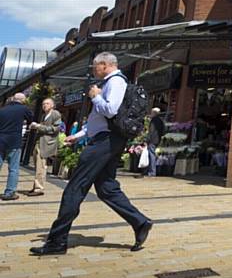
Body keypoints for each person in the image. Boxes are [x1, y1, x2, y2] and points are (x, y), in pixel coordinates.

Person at [30, 52, 152, 256]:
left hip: (104, 143)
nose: (94, 71)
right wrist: (78, 135)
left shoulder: (115, 82)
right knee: (107, 189)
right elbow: (101, 120)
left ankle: (57, 241)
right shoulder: (110, 83)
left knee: (75, 187)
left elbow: (110, 110)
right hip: (107, 140)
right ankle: (140, 222)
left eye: (95, 67)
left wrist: (95, 96)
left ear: (104, 65)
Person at [0, 93, 34, 201]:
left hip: (1, 141)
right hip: (14, 142)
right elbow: (31, 119)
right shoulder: (23, 109)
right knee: (13, 169)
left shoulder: (3, 109)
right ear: (23, 100)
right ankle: (9, 192)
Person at [26, 97, 62, 197]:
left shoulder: (55, 114)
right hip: (39, 142)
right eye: (43, 104)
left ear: (52, 105)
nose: (44, 105)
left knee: (41, 166)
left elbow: (55, 129)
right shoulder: (44, 115)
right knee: (38, 166)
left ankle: (39, 189)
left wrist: (38, 126)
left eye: (47, 103)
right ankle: (36, 186)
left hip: (46, 143)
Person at [144, 108, 165, 178]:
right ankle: (152, 171)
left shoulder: (153, 121)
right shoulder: (161, 121)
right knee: (153, 155)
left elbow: (151, 131)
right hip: (157, 139)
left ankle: (152, 172)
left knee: (151, 155)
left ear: (154, 113)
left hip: (152, 140)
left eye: (151, 113)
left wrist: (147, 140)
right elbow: (163, 131)